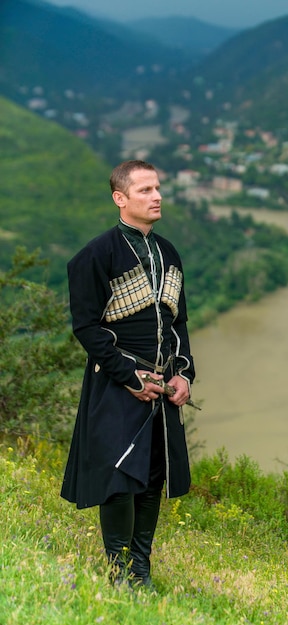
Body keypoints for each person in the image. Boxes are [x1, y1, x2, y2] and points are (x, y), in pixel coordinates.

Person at [61, 160, 196, 590]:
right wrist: (130, 377)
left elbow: (179, 324)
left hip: (162, 385)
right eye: (144, 190)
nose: (156, 196)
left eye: (157, 188)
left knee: (153, 476)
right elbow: (86, 327)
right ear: (120, 198)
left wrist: (185, 375)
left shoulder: (168, 252)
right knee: (121, 477)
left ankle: (140, 569)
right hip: (116, 383)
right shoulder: (95, 255)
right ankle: (119, 570)